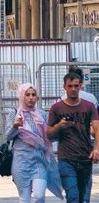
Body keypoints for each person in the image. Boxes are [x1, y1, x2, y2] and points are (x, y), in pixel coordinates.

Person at [47, 72, 99, 203]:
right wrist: (59, 125)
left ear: (81, 86)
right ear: (64, 87)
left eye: (76, 85)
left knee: (84, 199)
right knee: (73, 196)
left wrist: (97, 148)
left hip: (85, 158)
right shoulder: (56, 108)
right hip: (66, 158)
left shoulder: (89, 106)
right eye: (70, 86)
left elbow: (97, 128)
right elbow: (48, 134)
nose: (73, 89)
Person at [7, 83, 63, 202]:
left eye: (34, 95)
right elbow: (8, 137)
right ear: (22, 96)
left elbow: (49, 137)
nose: (31, 97)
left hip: (39, 161)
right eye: (27, 95)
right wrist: (15, 127)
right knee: (25, 198)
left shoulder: (42, 114)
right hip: (21, 162)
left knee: (39, 195)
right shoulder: (15, 113)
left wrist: (58, 129)